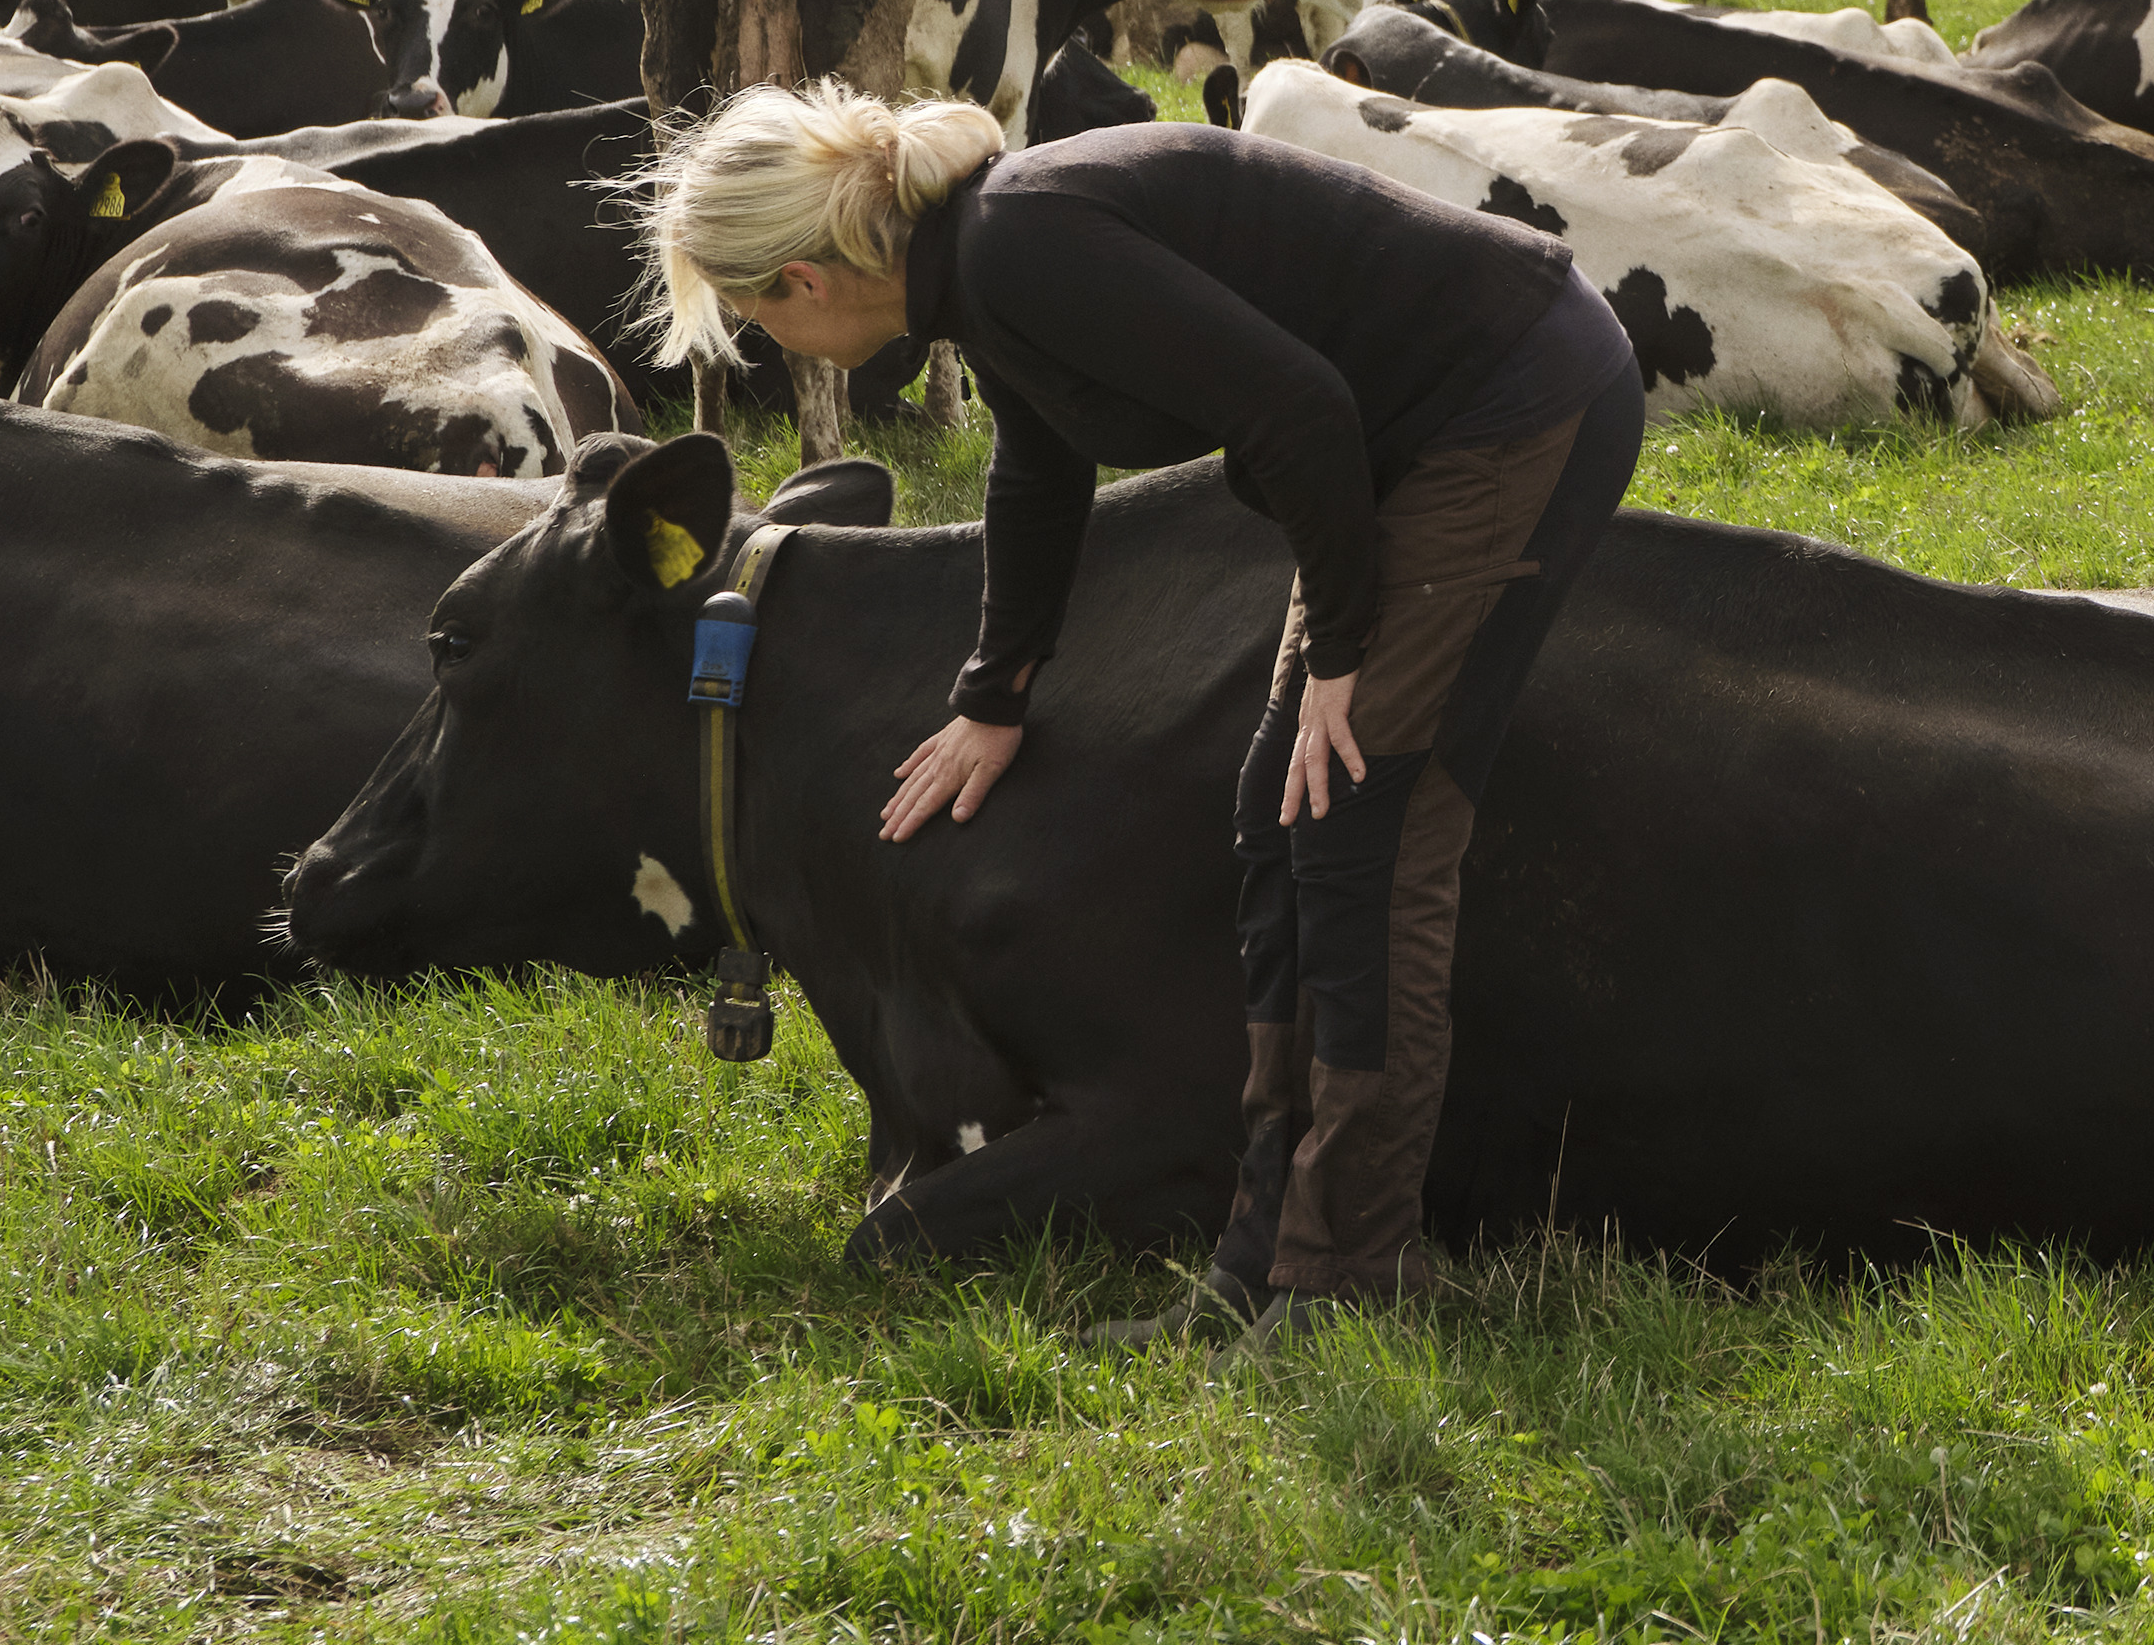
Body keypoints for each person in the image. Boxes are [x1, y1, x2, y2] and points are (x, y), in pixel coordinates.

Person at [645, 81, 1644, 1329]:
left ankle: (1353, 1277)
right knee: (1277, 818)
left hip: (1512, 394)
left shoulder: (1019, 245)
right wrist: (995, 693)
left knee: (1359, 830)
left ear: (805, 280)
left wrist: (1342, 646)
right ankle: (1260, 1264)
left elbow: (1298, 409)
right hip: (1401, 436)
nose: (769, 344)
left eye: (751, 318)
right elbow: (1039, 465)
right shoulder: (980, 263)